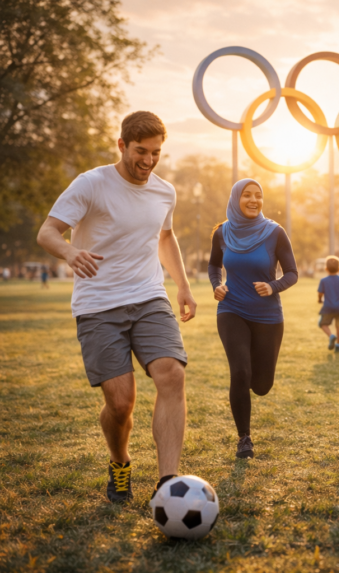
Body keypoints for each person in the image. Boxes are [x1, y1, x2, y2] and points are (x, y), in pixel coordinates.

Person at [36, 111, 196, 503]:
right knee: (120, 403)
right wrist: (70, 251)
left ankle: (167, 485)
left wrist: (183, 286)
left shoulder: (164, 191)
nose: (148, 160)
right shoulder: (91, 184)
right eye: (141, 151)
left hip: (148, 297)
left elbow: (166, 235)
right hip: (98, 304)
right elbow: (47, 232)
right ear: (122, 145)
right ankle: (120, 462)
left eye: (156, 152)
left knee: (171, 375)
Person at [209, 178, 298, 459]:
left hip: (267, 314)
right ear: (236, 198)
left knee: (261, 385)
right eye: (246, 195)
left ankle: (246, 387)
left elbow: (292, 273)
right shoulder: (222, 232)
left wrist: (273, 286)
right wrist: (217, 284)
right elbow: (213, 265)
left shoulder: (275, 232)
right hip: (231, 309)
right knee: (240, 372)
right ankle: (244, 438)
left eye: (258, 196)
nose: (253, 200)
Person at [317, 255, 339, 352]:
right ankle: (338, 345)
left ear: (326, 269)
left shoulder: (323, 280)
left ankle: (331, 336)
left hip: (328, 306)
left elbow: (320, 293)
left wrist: (319, 300)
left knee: (323, 324)